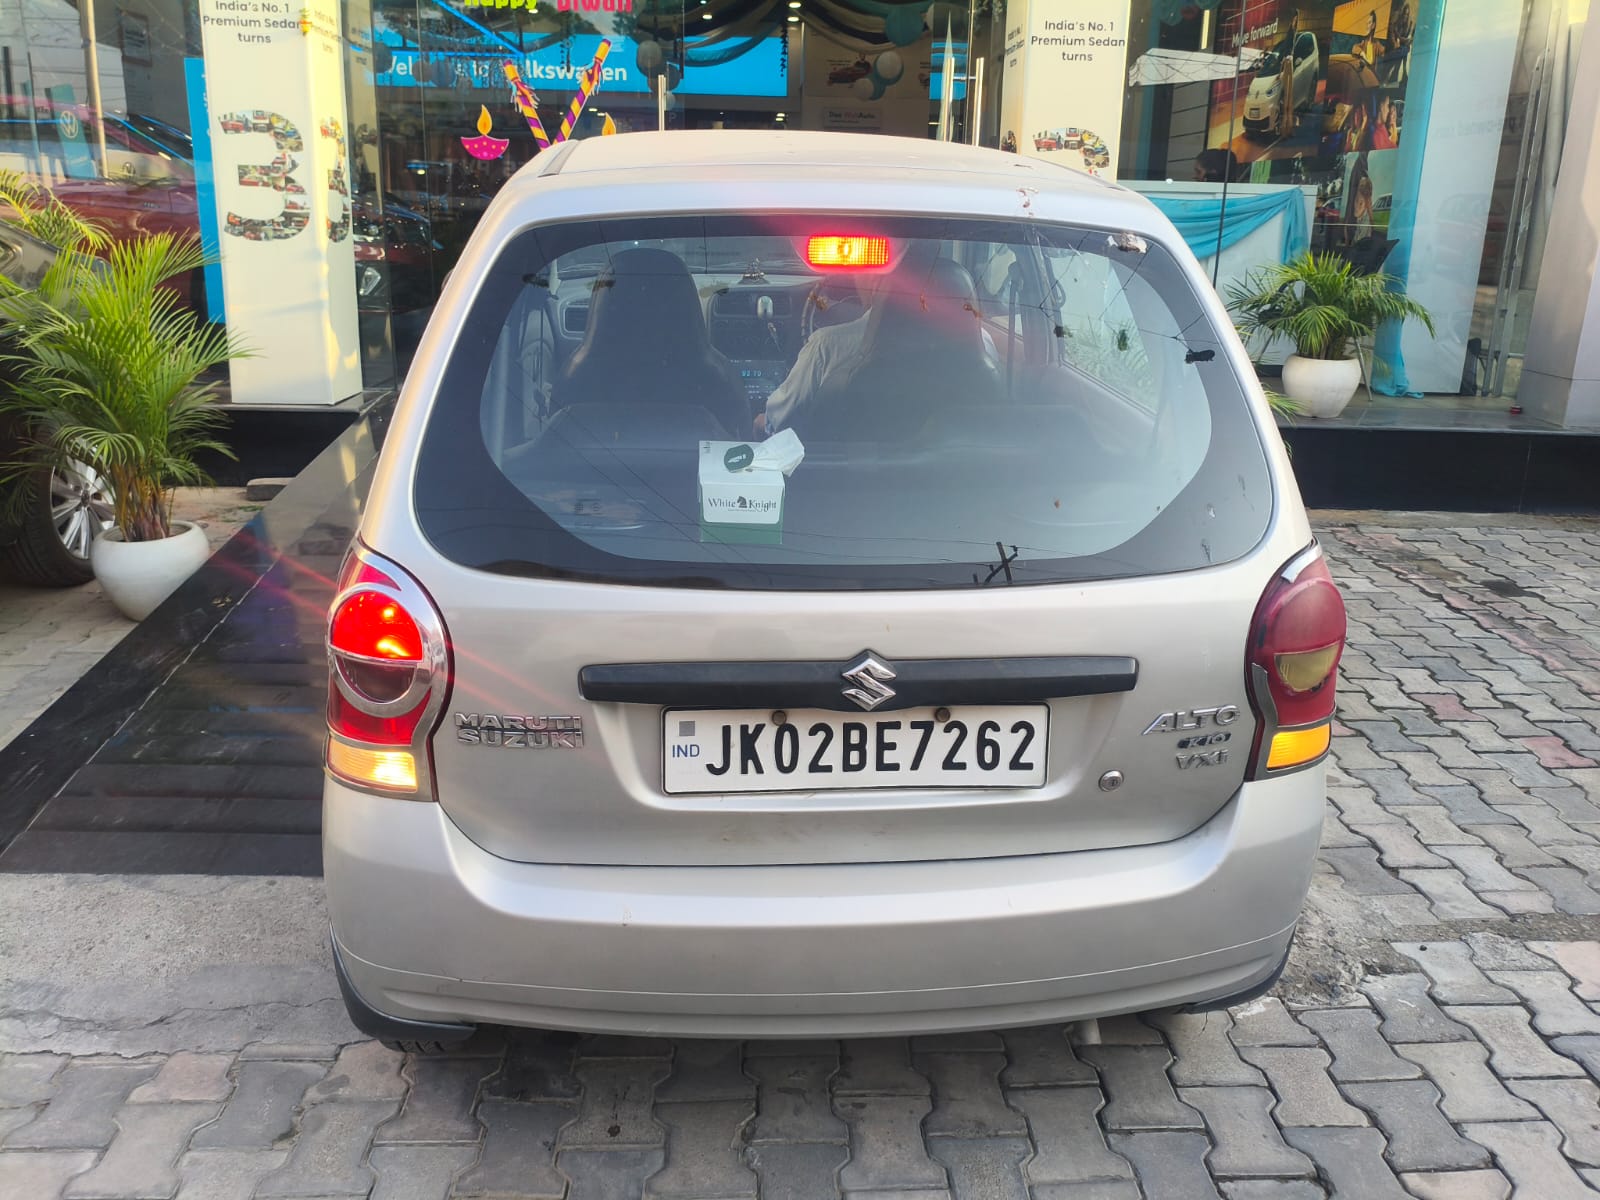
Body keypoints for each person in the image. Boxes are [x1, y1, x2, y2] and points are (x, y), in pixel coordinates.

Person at [757, 251, 998, 437]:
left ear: (876, 286)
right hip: (957, 480)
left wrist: (758, 423)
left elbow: (776, 424)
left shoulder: (825, 346)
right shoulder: (983, 347)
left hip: (842, 481)